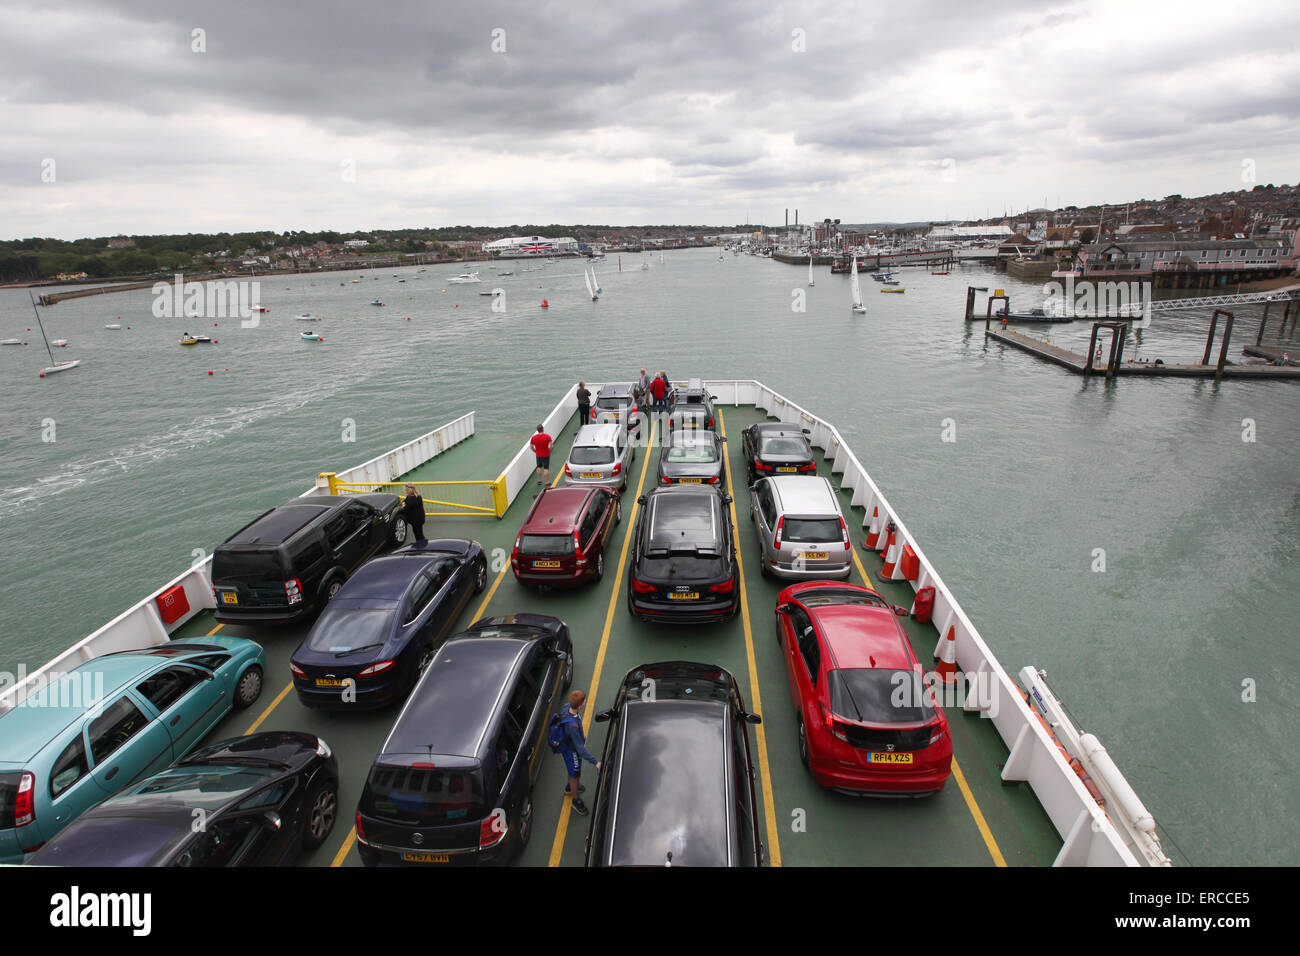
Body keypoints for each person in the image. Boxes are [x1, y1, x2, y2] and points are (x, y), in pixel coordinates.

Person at [554, 690, 600, 816]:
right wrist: (595, 762)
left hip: (570, 746)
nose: (585, 702)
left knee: (573, 771)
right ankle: (576, 799)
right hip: (572, 751)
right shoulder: (572, 726)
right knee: (575, 774)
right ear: (580, 706)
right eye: (584, 701)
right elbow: (580, 749)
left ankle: (570, 787)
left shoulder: (567, 708)